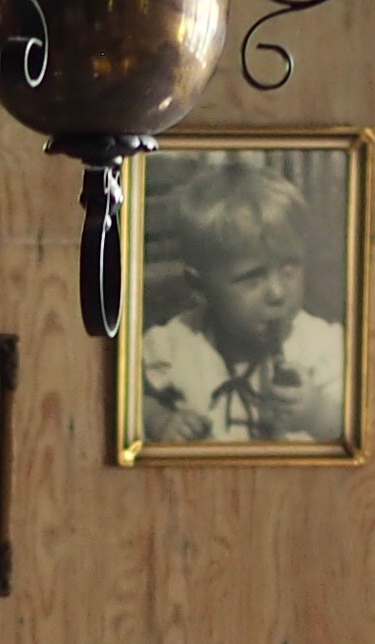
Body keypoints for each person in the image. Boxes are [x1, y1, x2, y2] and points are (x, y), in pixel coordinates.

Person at [139, 164, 348, 447]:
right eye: (252, 277)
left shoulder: (323, 348)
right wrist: (160, 420)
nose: (277, 293)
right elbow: (131, 398)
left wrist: (317, 413)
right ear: (200, 287)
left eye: (289, 268)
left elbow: (360, 432)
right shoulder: (175, 345)